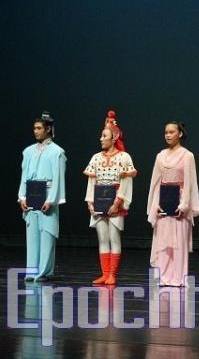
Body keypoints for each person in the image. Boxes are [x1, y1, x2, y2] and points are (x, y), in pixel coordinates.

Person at [84, 110, 137, 285]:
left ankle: (112, 273)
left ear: (114, 137)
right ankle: (104, 273)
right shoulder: (96, 158)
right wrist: (90, 202)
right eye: (101, 135)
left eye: (104, 135)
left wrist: (118, 202)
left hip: (115, 201)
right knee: (102, 238)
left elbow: (126, 182)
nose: (101, 138)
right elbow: (92, 182)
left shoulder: (123, 157)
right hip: (99, 200)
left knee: (114, 237)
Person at [147, 121, 199, 287]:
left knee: (178, 241)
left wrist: (185, 204)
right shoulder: (160, 156)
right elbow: (155, 182)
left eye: (171, 132)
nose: (168, 135)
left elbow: (190, 181)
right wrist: (154, 204)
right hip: (163, 201)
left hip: (179, 201)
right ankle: (164, 277)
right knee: (164, 241)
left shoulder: (187, 155)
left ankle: (178, 277)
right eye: (166, 132)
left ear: (180, 134)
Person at [18, 111, 67, 282]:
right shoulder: (28, 151)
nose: (36, 131)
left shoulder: (57, 152)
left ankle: (44, 271)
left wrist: (51, 200)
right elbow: (24, 176)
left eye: (39, 128)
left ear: (48, 129)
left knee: (47, 234)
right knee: (32, 236)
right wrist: (22, 197)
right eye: (34, 128)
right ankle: (31, 270)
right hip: (32, 195)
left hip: (47, 196)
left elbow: (58, 177)